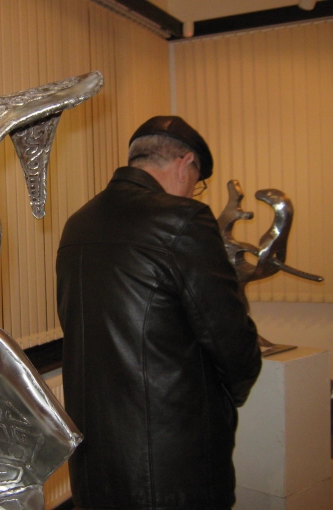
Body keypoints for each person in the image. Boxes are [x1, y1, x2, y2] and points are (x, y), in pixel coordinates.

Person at [57, 116, 262, 510]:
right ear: (185, 164)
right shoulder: (183, 220)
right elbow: (232, 342)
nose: (192, 192)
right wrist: (229, 396)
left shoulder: (78, 224)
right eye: (196, 182)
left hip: (95, 461)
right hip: (172, 463)